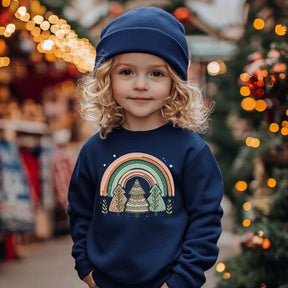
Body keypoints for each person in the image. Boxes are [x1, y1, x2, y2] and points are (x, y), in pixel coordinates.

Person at [67, 6, 223, 288]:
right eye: (126, 72)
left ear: (175, 83)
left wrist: (180, 280)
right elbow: (79, 212)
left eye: (156, 74)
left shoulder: (192, 151)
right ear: (107, 79)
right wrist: (86, 268)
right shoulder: (94, 150)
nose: (140, 85)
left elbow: (206, 222)